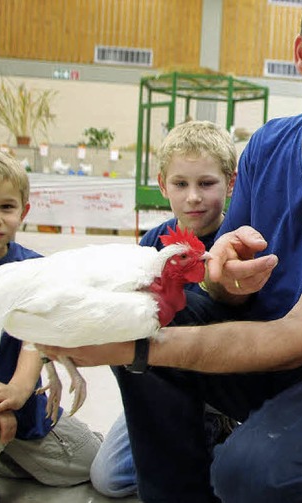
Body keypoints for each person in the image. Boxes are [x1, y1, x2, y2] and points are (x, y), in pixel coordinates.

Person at [40, 1, 302, 501]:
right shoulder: (269, 144)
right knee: (141, 313)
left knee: (251, 472)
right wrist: (221, 278)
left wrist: (138, 350)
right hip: (262, 341)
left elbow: (294, 341)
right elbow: (225, 293)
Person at [90, 120, 238, 498]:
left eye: (206, 183)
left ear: (231, 182)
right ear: (162, 185)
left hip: (215, 381)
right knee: (108, 478)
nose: (193, 197)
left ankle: (219, 424)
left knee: (229, 479)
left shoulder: (236, 240)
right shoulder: (152, 243)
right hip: (161, 384)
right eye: (180, 184)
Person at [0, 147, 101, 503]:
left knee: (95, 467)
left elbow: (34, 339)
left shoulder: (36, 269)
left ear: (24, 211)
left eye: (6, 207)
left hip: (23, 409)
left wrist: (19, 391)